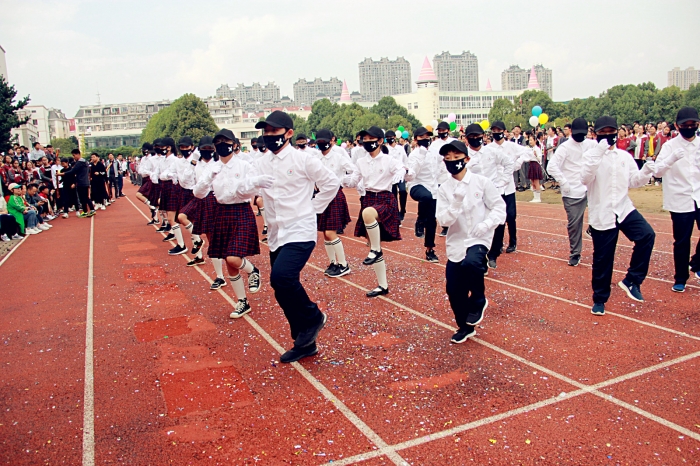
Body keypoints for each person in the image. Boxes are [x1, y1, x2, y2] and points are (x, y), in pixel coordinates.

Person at [252, 110, 338, 363]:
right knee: (279, 287)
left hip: (300, 229)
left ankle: (313, 318)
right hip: (277, 231)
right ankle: (304, 342)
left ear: (288, 134)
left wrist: (313, 208)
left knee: (283, 277)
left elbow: (331, 183)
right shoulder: (260, 163)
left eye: (274, 131)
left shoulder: (304, 160)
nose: (269, 136)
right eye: (265, 132)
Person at [581, 116, 657, 316]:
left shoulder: (624, 156)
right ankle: (599, 299)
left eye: (610, 131)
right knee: (603, 259)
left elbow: (634, 181)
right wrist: (598, 152)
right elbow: (585, 178)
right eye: (602, 132)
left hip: (623, 208)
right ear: (595, 134)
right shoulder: (591, 156)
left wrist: (647, 171)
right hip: (602, 211)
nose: (607, 136)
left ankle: (632, 280)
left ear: (617, 132)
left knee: (647, 235)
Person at [437, 140, 506, 343]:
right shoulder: (444, 189)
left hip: (479, 237)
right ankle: (465, 326)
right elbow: (443, 220)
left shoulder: (482, 182)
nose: (452, 162)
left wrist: (486, 224)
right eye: (447, 159)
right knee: (453, 290)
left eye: (456, 158)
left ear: (466, 159)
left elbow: (499, 208)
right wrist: (456, 202)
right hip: (456, 242)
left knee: (472, 262)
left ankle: (478, 299)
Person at [194, 129, 265, 318]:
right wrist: (209, 177)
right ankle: (242, 301)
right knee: (228, 261)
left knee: (233, 257)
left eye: (226, 142)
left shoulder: (244, 165)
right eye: (218, 142)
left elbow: (252, 190)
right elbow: (198, 193)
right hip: (221, 212)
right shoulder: (212, 167)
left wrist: (237, 188)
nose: (222, 145)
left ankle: (253, 271)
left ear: (234, 144)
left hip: (240, 211)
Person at [343, 126, 414, 297]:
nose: (367, 143)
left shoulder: (389, 160)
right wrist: (339, 179)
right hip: (368, 199)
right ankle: (382, 285)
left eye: (371, 139)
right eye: (364, 140)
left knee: (368, 214)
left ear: (380, 141)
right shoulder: (360, 162)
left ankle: (375, 250)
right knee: (373, 244)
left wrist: (402, 174)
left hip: (385, 199)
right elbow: (353, 181)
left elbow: (406, 172)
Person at [650, 107, 700, 292]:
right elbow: (658, 171)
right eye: (685, 125)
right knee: (682, 240)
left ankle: (696, 262)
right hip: (680, 198)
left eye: (692, 125)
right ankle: (680, 278)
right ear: (677, 126)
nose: (689, 128)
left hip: (699, 194)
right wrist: (671, 159)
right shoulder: (670, 146)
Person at [547, 118, 597, 266]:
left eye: (583, 134)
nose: (580, 137)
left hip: (591, 186)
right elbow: (552, 166)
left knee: (605, 211)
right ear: (571, 132)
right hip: (572, 189)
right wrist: (563, 182)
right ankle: (575, 253)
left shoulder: (591, 144)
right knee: (574, 224)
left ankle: (593, 228)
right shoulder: (565, 148)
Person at [486, 121, 535, 267]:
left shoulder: (511, 146)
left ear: (504, 131)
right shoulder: (489, 148)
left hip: (509, 187)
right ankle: (498, 243)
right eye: (494, 130)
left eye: (499, 130)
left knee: (511, 216)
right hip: (495, 188)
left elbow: (528, 152)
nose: (497, 133)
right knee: (498, 216)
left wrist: (517, 163)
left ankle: (512, 242)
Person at [314, 129, 354, 277]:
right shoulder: (315, 158)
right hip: (321, 196)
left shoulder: (339, 157)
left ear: (332, 140)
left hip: (335, 195)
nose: (322, 144)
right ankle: (333, 262)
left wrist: (342, 181)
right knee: (325, 233)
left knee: (331, 232)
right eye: (319, 142)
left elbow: (353, 170)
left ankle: (344, 264)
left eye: (325, 141)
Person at [178, 136, 221, 269]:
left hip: (212, 199)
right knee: (182, 216)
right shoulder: (195, 164)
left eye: (210, 149)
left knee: (211, 237)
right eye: (204, 149)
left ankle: (220, 276)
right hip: (198, 197)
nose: (207, 151)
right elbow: (184, 181)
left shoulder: (217, 163)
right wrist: (192, 163)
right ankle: (198, 241)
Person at [406, 127, 441, 262]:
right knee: (425, 196)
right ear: (416, 140)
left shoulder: (433, 153)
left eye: (428, 137)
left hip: (432, 189)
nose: (425, 140)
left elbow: (438, 168)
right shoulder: (414, 155)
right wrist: (421, 154)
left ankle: (429, 250)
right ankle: (420, 221)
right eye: (422, 137)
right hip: (416, 186)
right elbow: (413, 173)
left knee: (432, 220)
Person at [167, 137, 197, 255]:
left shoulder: (197, 160)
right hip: (183, 191)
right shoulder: (178, 162)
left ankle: (197, 242)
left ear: (192, 147)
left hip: (194, 192)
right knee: (186, 219)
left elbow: (189, 177)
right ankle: (196, 250)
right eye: (182, 147)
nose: (184, 149)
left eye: (187, 147)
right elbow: (167, 173)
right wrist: (172, 175)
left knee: (187, 219)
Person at [57, 149, 94, 217]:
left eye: (74, 155)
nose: (74, 157)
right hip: (85, 181)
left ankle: (86, 211)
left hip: (81, 182)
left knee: (82, 197)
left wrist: (62, 174)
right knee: (85, 197)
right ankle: (91, 210)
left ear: (78, 154)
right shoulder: (85, 161)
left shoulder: (79, 162)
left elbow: (72, 171)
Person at [385, 130, 409, 222]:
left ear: (395, 137)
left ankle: (403, 209)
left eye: (391, 137)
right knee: (393, 194)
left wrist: (406, 170)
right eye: (387, 138)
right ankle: (396, 213)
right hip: (391, 175)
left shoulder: (400, 148)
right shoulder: (386, 149)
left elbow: (405, 159)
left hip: (401, 173)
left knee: (403, 191)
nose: (389, 139)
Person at [527, 134, 544, 202]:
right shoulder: (531, 149)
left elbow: (539, 159)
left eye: (531, 140)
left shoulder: (537, 149)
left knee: (536, 182)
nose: (530, 141)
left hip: (535, 165)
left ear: (535, 140)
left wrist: (535, 155)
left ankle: (538, 198)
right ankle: (535, 197)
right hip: (531, 164)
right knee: (532, 182)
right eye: (529, 140)